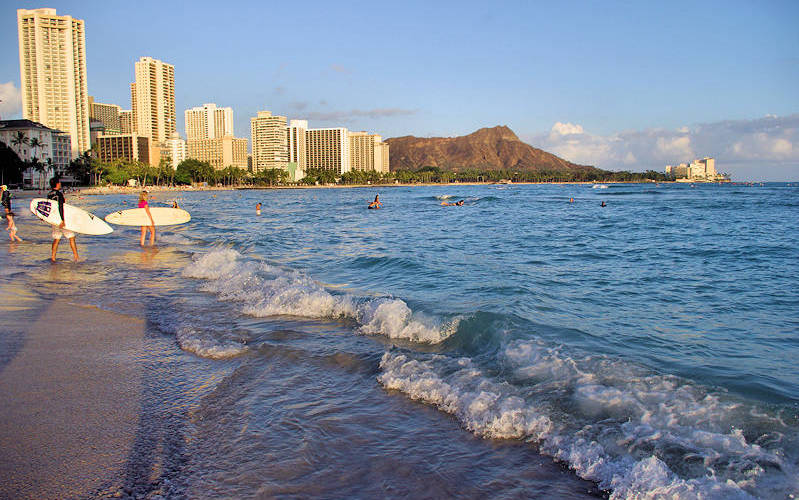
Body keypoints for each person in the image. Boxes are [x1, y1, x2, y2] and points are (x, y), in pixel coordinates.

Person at [48, 178, 78, 261]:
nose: (60, 184)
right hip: (61, 219)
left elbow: (49, 207)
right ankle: (76, 257)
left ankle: (53, 257)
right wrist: (63, 220)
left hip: (53, 220)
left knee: (56, 238)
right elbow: (60, 207)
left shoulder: (49, 194)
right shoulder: (59, 194)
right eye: (60, 183)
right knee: (71, 237)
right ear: (57, 184)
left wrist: (45, 217)